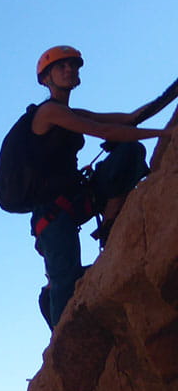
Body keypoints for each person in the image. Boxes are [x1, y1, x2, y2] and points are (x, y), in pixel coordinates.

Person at [26, 45, 178, 328]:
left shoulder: (70, 111)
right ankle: (61, 345)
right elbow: (107, 131)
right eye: (61, 66)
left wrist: (171, 94)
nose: (70, 70)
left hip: (76, 198)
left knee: (128, 152)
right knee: (65, 282)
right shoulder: (48, 113)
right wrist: (164, 133)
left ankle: (109, 226)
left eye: (73, 65)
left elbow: (130, 119)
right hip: (51, 214)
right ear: (46, 79)